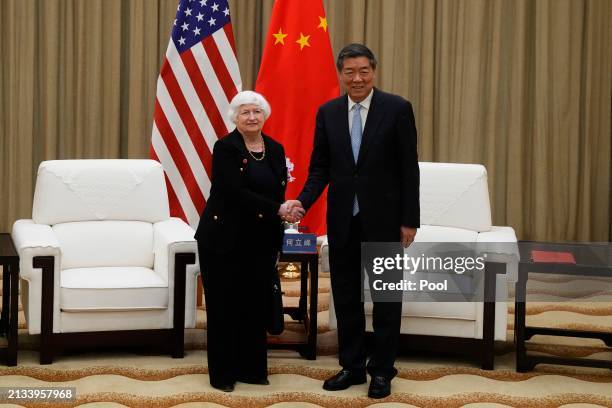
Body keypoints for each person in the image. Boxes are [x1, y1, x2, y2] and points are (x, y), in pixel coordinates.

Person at [286, 43, 420, 399]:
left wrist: (410, 220)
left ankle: (382, 370)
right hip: (343, 220)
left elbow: (410, 170)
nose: (357, 78)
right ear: (341, 74)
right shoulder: (328, 112)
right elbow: (320, 169)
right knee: (345, 298)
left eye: (363, 71)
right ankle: (352, 366)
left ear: (373, 71)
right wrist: (303, 200)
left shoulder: (397, 108)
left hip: (387, 222)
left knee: (387, 298)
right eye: (350, 72)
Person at [194, 91, 303, 392]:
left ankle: (252, 369)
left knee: (254, 305)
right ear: (235, 118)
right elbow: (232, 191)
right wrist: (277, 209)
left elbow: (278, 194)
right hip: (223, 239)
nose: (252, 117)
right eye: (245, 112)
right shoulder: (226, 147)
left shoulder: (276, 149)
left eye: (257, 111)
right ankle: (223, 374)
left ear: (264, 115)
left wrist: (282, 224)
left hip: (261, 239)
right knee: (223, 306)